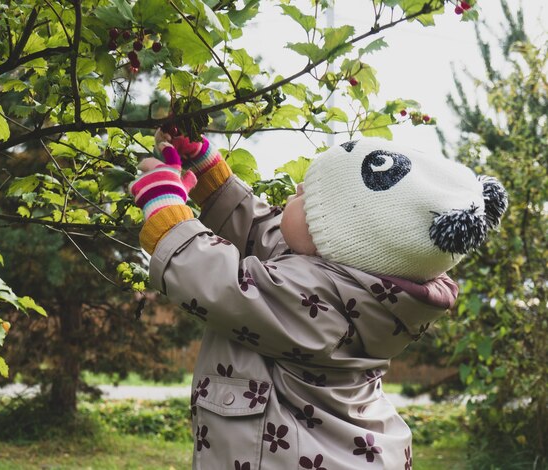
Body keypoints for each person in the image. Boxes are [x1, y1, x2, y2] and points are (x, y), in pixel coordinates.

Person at [129, 132, 507, 469]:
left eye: (304, 196)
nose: (295, 191)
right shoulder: (352, 284)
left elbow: (220, 281)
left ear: (333, 239)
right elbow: (267, 233)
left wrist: (165, 207)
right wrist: (212, 179)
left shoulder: (315, 299)